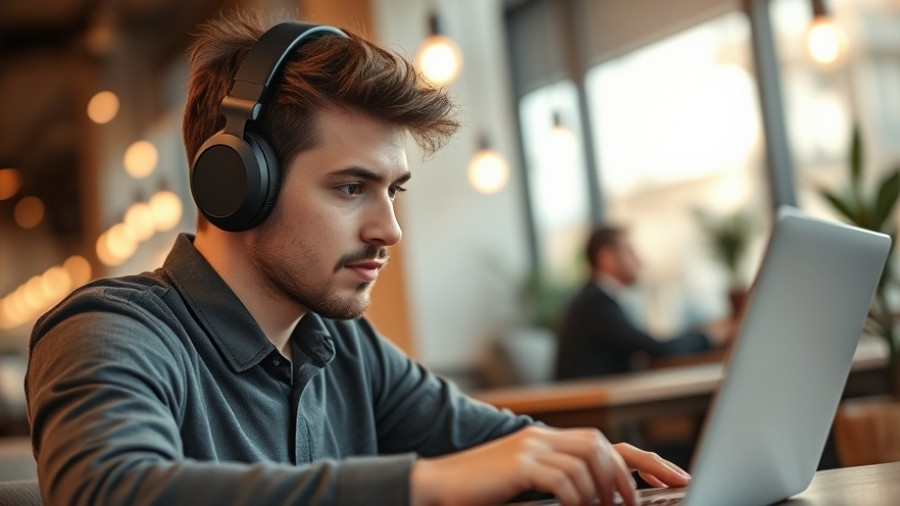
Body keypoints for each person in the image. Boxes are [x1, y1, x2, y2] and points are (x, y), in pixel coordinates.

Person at [25, 10, 692, 506]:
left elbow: (500, 449)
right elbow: (109, 490)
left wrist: (589, 462)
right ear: (236, 185)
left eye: (393, 190)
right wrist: (424, 485)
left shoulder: (344, 348)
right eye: (351, 188)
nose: (389, 230)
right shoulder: (109, 331)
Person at [554, 226, 734, 380]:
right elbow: (654, 348)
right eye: (630, 252)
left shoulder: (597, 299)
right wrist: (709, 337)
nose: (640, 261)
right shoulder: (595, 304)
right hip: (591, 402)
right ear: (607, 258)